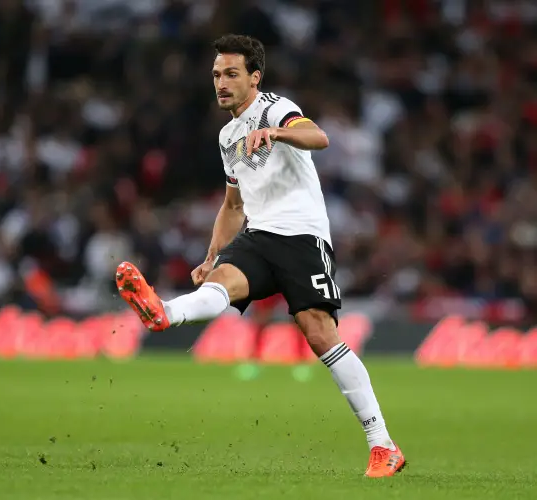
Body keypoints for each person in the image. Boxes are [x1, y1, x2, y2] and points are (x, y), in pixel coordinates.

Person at [115, 34, 405, 477]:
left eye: (231, 73)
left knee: (319, 332)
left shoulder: (273, 108)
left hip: (302, 236)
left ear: (255, 77)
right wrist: (212, 254)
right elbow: (233, 205)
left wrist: (278, 132)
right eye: (216, 75)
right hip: (258, 234)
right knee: (221, 284)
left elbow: (319, 136)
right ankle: (162, 313)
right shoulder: (228, 134)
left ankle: (383, 444)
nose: (221, 83)